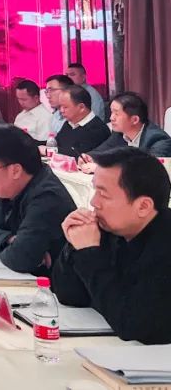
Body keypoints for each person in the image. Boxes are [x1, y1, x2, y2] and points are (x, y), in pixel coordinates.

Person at [51, 147, 171, 345]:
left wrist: (89, 253)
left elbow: (133, 325)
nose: (93, 202)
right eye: (95, 190)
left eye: (104, 195)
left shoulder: (164, 245)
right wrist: (74, 245)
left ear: (143, 206)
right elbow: (69, 295)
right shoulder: (109, 228)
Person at [0, 125, 76, 275]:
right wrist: (8, 239)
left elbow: (20, 258)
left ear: (15, 170)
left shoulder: (48, 198)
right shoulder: (4, 186)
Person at [86, 92, 171, 159]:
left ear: (135, 120)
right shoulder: (119, 133)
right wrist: (88, 157)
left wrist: (102, 167)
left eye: (116, 114)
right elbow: (101, 151)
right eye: (112, 112)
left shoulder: (158, 140)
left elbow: (149, 168)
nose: (111, 118)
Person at [55, 84, 111, 160]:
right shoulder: (69, 123)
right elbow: (56, 143)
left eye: (65, 107)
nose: (61, 111)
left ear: (81, 107)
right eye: (60, 107)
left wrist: (50, 150)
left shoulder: (97, 128)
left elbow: (80, 155)